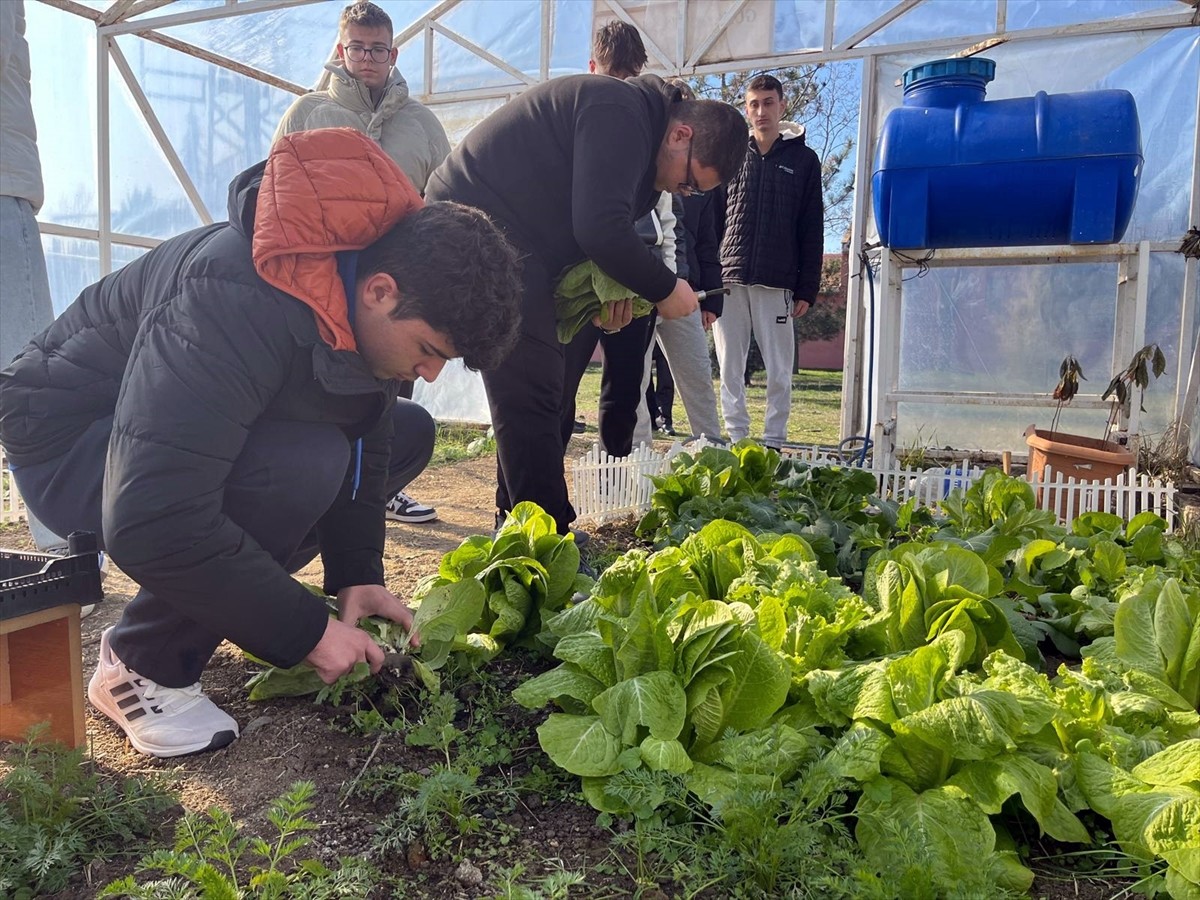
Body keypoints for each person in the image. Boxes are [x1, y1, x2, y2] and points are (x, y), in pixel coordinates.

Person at [0, 129, 522, 758]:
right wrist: (308, 633)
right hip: (70, 440)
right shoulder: (232, 294)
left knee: (407, 431)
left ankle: (199, 600)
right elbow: (150, 515)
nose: (431, 374)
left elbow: (369, 436)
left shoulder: (357, 288)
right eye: (429, 350)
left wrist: (357, 574)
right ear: (380, 291)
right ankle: (140, 666)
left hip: (160, 443)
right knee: (301, 468)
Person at [423, 72, 746, 534]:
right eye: (691, 182)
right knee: (531, 385)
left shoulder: (643, 147)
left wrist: (606, 299)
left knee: (549, 388)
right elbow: (600, 229)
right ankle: (546, 537)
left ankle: (516, 521)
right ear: (681, 134)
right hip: (473, 225)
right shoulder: (620, 113)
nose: (683, 192)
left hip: (525, 243)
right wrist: (664, 287)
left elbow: (590, 235)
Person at [275, 0, 451, 524]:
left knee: (393, 383)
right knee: (322, 383)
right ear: (341, 49)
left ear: (393, 54)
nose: (368, 58)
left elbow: (443, 200)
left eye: (378, 49)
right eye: (358, 48)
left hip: (398, 285)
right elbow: (275, 192)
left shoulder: (422, 123)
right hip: (324, 279)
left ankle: (385, 486)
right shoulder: (307, 113)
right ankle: (315, 489)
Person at [560, 23, 679, 460]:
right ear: (592, 68)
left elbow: (664, 214)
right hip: (578, 273)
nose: (620, 91)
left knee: (625, 389)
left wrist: (663, 279)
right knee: (561, 387)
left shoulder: (653, 126)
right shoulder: (576, 114)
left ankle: (615, 476)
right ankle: (544, 481)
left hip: (634, 272)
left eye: (629, 78)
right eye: (613, 77)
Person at [715, 73, 823, 450]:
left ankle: (774, 442)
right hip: (729, 279)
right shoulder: (730, 156)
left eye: (768, 102)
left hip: (777, 282)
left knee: (779, 370)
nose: (761, 111)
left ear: (782, 105)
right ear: (746, 110)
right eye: (754, 104)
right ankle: (738, 441)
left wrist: (807, 287)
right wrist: (709, 275)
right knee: (729, 367)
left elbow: (812, 227)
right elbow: (713, 219)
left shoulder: (804, 161)